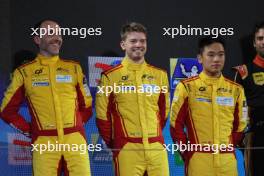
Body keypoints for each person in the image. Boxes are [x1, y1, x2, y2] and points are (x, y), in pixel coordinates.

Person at [0, 19, 92, 176]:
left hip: (75, 143)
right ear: (37, 39)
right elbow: (6, 110)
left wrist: (75, 128)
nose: (57, 38)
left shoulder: (74, 68)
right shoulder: (24, 72)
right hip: (44, 144)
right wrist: (31, 131)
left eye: (58, 34)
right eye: (50, 33)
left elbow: (87, 107)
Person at [95, 22, 170, 176]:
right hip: (127, 147)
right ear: (123, 44)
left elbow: (164, 111)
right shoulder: (109, 76)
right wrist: (118, 143)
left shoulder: (160, 75)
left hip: (156, 146)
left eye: (142, 41)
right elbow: (102, 116)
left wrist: (153, 135)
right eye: (133, 41)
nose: (138, 45)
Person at [170, 36, 247, 176]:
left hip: (227, 161)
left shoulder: (236, 89)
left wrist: (228, 148)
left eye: (220, 55)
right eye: (211, 55)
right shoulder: (186, 87)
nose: (216, 59)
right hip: (199, 159)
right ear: (200, 58)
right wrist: (187, 152)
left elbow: (241, 125)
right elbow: (175, 124)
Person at [233, 21, 264, 176]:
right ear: (254, 43)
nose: (263, 42)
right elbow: (236, 106)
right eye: (260, 38)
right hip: (254, 134)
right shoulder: (243, 71)